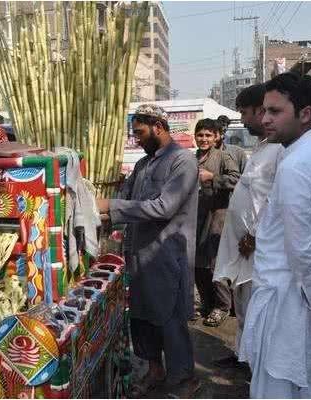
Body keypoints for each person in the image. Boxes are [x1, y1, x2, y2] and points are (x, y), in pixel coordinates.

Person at [239, 72, 311, 398]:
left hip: (290, 306)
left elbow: (301, 248)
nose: (264, 119)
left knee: (279, 388)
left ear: (305, 114)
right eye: (263, 110)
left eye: (275, 112)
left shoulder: (296, 165)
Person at [97, 104, 199, 396]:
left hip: (168, 254)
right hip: (138, 253)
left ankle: (184, 379)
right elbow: (124, 200)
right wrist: (92, 213)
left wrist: (111, 207)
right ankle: (155, 371)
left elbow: (164, 207)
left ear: (158, 126)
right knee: (142, 317)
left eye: (140, 132)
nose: (137, 139)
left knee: (169, 317)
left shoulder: (182, 162)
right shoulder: (142, 165)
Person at [213, 84, 283, 369]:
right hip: (244, 248)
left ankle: (257, 366)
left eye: (244, 112)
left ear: (260, 110)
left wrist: (254, 234)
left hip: (259, 248)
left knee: (257, 309)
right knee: (242, 306)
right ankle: (243, 355)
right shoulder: (264, 147)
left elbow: (275, 199)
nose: (242, 119)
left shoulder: (280, 150)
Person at [194, 118, 240, 327]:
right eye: (200, 135)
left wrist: (213, 177)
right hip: (196, 216)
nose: (203, 139)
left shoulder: (223, 156)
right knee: (197, 264)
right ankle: (206, 303)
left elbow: (237, 180)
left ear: (215, 138)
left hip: (218, 215)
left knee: (215, 263)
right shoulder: (190, 158)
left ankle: (222, 306)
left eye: (208, 135)